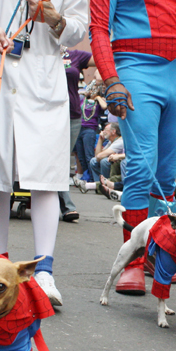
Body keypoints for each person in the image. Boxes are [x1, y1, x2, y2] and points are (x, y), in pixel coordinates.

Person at [0, 0, 89, 306]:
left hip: (42, 81)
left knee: (46, 178)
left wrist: (54, 19)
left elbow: (78, 27)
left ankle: (44, 273)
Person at [90, 0, 176, 295]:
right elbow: (99, 29)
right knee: (141, 167)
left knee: (165, 173)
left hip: (174, 74)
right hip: (134, 69)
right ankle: (133, 262)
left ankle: (157, 253)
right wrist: (111, 79)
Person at [60, 47, 98, 222]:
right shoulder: (40, 48)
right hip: (46, 112)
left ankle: (64, 205)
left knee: (61, 159)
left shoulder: (74, 54)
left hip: (72, 115)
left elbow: (102, 59)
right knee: (54, 158)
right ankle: (67, 206)